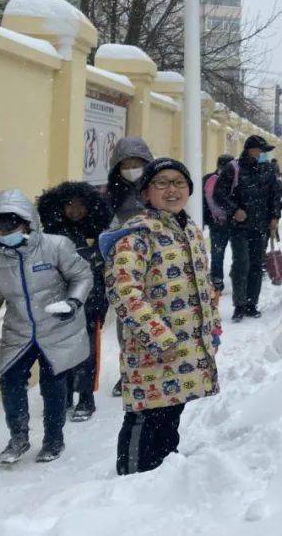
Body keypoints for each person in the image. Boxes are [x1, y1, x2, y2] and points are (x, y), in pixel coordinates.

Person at [101, 157, 221, 475]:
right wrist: (159, 337)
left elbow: (204, 285)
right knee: (146, 417)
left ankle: (164, 476)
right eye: (162, 183)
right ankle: (131, 482)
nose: (172, 190)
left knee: (171, 414)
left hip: (188, 347)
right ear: (146, 193)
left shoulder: (190, 231)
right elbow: (124, 293)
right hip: (153, 351)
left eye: (179, 183)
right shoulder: (136, 236)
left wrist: (213, 328)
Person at [0, 190, 92, 464]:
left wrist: (73, 302)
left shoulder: (56, 246)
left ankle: (54, 440)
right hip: (19, 331)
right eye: (0, 228)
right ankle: (18, 438)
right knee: (9, 379)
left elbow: (82, 275)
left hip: (57, 326)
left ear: (28, 222)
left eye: (12, 225)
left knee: (52, 383)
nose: (6, 233)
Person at [36, 181, 114, 422]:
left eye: (81, 205)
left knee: (88, 351)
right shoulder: (51, 235)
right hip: (59, 301)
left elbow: (107, 268)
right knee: (61, 349)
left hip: (91, 301)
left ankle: (86, 397)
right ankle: (66, 394)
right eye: (70, 205)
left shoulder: (100, 234)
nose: (75, 210)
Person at [104, 136, 154, 397]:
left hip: (157, 263)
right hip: (125, 265)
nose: (132, 169)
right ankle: (128, 371)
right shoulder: (111, 194)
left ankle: (154, 366)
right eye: (126, 164)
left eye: (137, 163)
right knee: (127, 318)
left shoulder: (158, 188)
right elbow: (106, 229)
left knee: (155, 315)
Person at [213, 136, 282, 321]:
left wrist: (275, 216)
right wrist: (235, 210)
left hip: (261, 227)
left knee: (256, 265)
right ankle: (240, 305)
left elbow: (275, 195)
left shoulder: (267, 169)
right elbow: (218, 194)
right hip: (240, 227)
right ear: (250, 150)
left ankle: (252, 304)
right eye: (260, 151)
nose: (263, 154)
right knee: (241, 264)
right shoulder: (233, 168)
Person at [203, 154, 236, 292]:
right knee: (238, 252)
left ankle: (217, 280)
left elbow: (203, 202)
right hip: (235, 222)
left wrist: (206, 219)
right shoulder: (236, 179)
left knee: (218, 252)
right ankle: (232, 274)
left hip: (216, 223)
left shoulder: (207, 179)